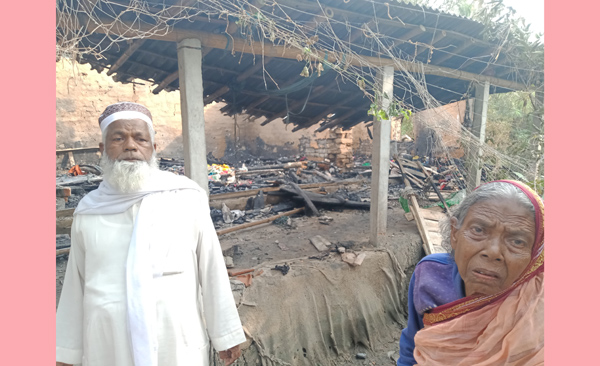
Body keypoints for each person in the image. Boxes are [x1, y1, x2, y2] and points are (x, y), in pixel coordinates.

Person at [56, 102, 246, 366]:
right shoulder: (89, 211)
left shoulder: (186, 197)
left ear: (153, 149)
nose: (130, 146)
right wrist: (66, 351)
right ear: (102, 150)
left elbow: (211, 267)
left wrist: (225, 334)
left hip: (176, 343)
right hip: (107, 346)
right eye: (119, 138)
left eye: (140, 138)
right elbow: (75, 287)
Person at [397, 180, 544, 366]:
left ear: (534, 255)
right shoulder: (431, 274)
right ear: (454, 234)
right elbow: (412, 341)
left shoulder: (539, 300)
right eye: (478, 230)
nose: (492, 252)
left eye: (517, 242)